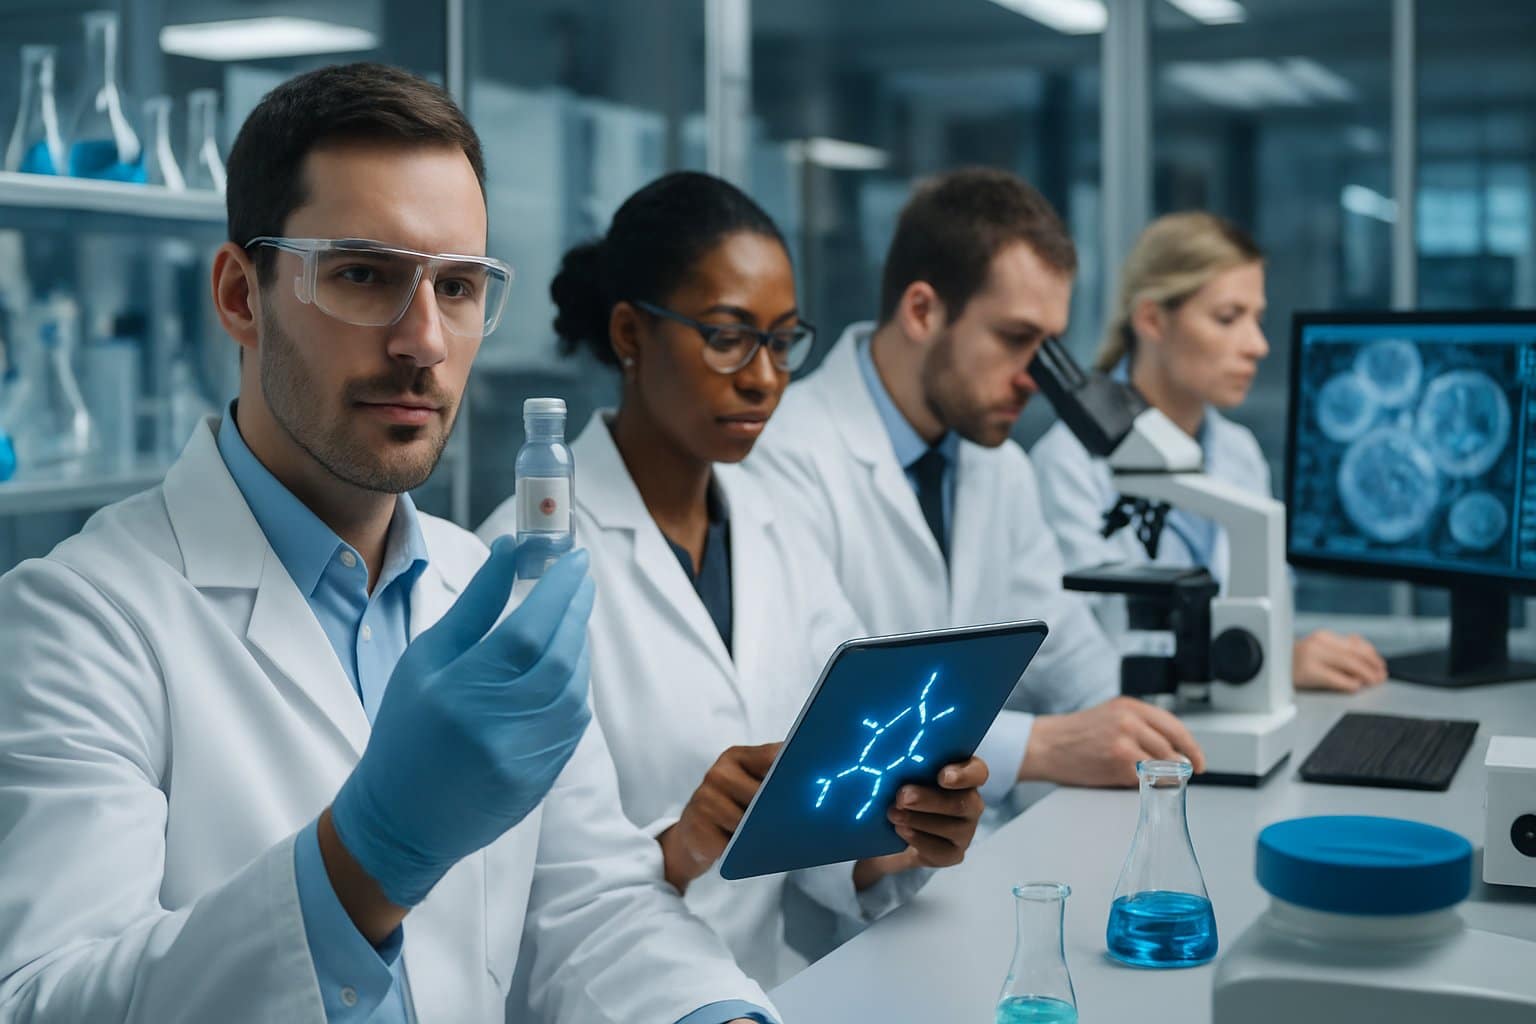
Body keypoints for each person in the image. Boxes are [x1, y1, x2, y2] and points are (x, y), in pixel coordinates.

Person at [0, 65, 776, 1024]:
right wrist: (366, 859)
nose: (424, 341)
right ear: (242, 295)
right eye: (365, 275)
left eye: (456, 286)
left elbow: (595, 906)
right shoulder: (74, 621)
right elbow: (43, 1002)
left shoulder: (486, 587)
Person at [478, 171, 987, 987]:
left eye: (783, 341)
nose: (763, 377)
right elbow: (508, 899)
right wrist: (679, 849)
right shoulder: (518, 559)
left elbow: (824, 806)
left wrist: (899, 833)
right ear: (630, 335)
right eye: (727, 336)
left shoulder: (776, 524)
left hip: (764, 992)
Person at [748, 167, 1206, 792]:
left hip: (969, 845)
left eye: (1051, 349)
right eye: (1017, 339)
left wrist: (1144, 737)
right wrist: (1040, 746)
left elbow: (1065, 650)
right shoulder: (785, 455)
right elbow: (824, 710)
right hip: (845, 861)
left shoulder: (1000, 469)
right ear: (921, 311)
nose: (1035, 378)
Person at [1031, 211, 1388, 693]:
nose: (1258, 346)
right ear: (1152, 319)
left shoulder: (1238, 452)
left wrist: (1277, 656)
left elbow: (1271, 606)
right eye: (1228, 318)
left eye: (1257, 319)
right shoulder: (1068, 464)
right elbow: (1077, 661)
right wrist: (1267, 662)